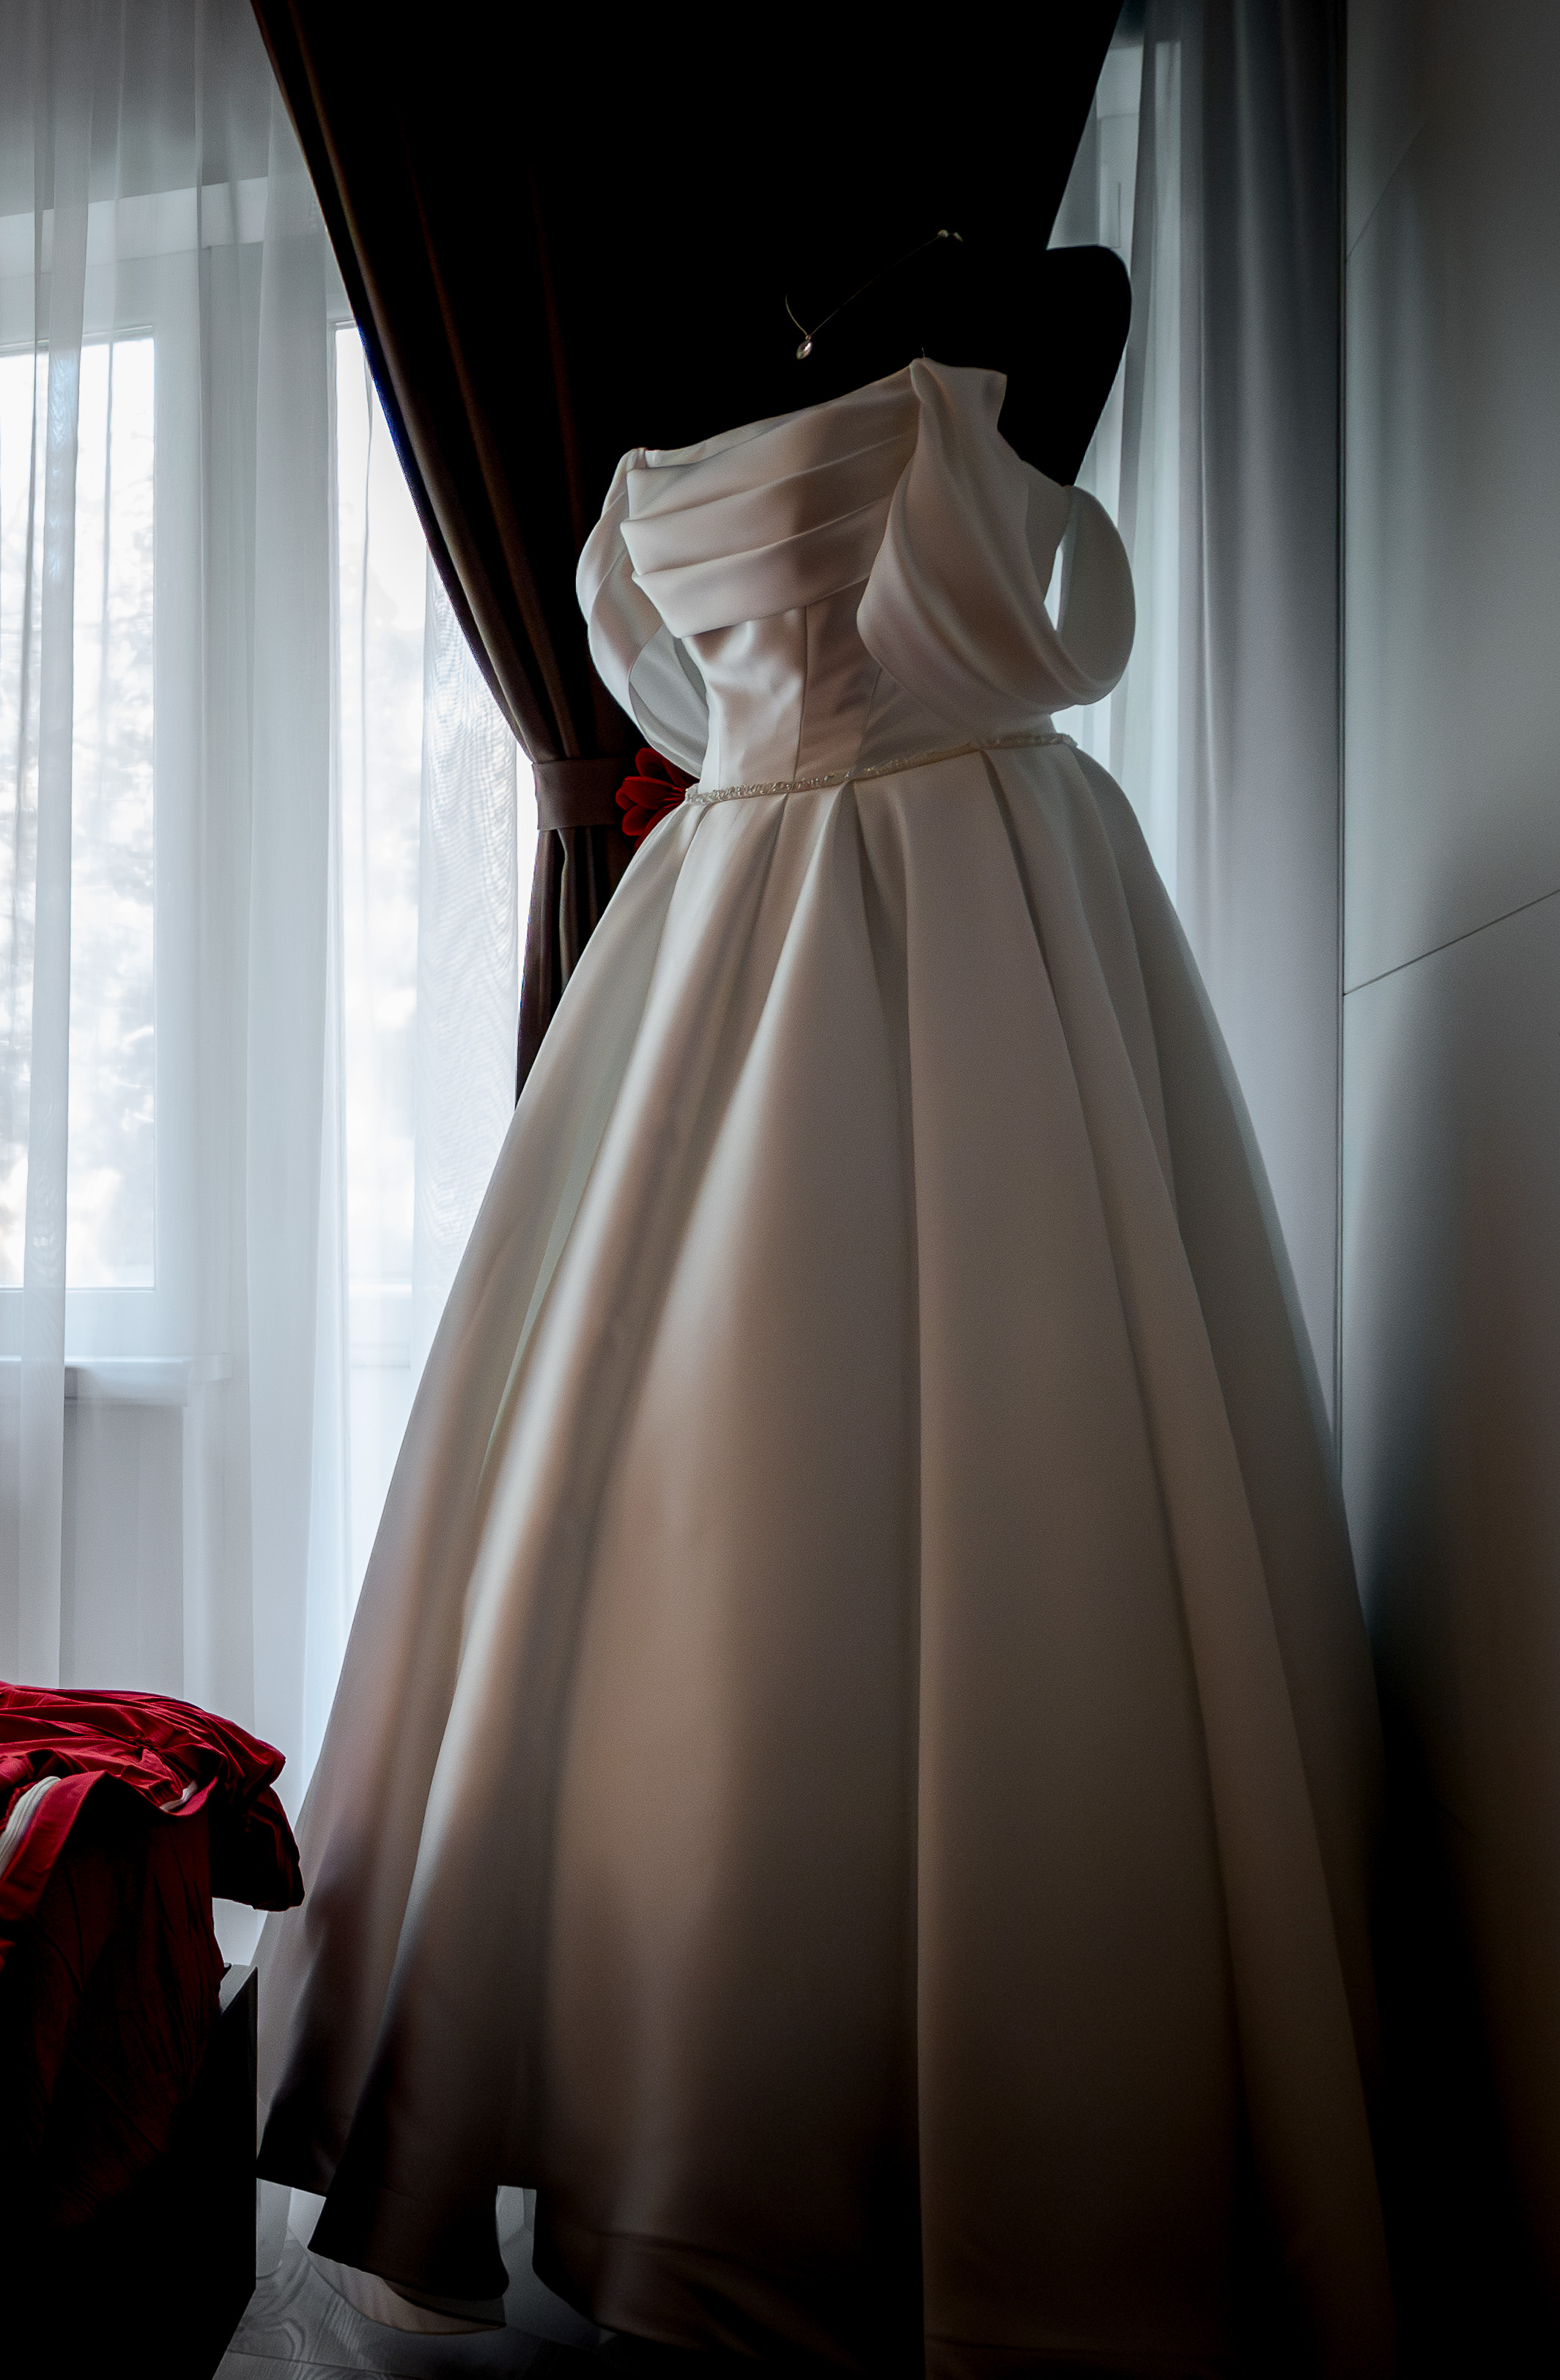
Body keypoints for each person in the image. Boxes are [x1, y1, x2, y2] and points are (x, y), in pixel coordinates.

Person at [256, 356, 1391, 2372]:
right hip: (961, 894)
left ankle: (753, 2162)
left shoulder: (673, 487)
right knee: (793, 1497)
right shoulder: (938, 398)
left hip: (763, 915)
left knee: (787, 1468)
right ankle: (784, 2160)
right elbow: (1054, 635)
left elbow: (685, 684)